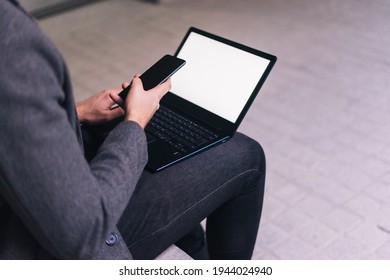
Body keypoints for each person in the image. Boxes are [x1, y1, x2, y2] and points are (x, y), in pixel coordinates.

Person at [0, 0, 266, 260]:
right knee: (247, 155)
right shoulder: (10, 40)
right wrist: (134, 122)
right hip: (44, 247)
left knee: (174, 164)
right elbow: (83, 231)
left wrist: (79, 111)